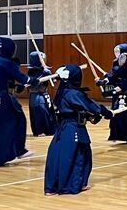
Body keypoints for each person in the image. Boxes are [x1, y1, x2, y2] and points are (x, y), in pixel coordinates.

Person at [44, 64, 113, 195]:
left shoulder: (62, 92)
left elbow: (75, 109)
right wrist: (105, 112)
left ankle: (52, 187)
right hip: (73, 128)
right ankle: (71, 185)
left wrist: (89, 116)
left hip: (63, 128)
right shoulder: (73, 93)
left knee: (58, 155)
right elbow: (91, 105)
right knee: (78, 155)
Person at [0, 37, 37, 166]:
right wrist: (35, 80)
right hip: (0, 98)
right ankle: (15, 151)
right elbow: (23, 78)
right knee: (13, 122)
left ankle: (14, 151)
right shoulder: (5, 61)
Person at [27, 51, 56, 137]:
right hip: (36, 95)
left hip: (44, 94)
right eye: (41, 59)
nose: (44, 60)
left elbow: (52, 80)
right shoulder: (31, 72)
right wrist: (44, 75)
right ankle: (39, 130)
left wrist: (51, 76)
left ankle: (50, 130)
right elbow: (35, 82)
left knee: (48, 112)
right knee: (39, 112)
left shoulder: (45, 70)